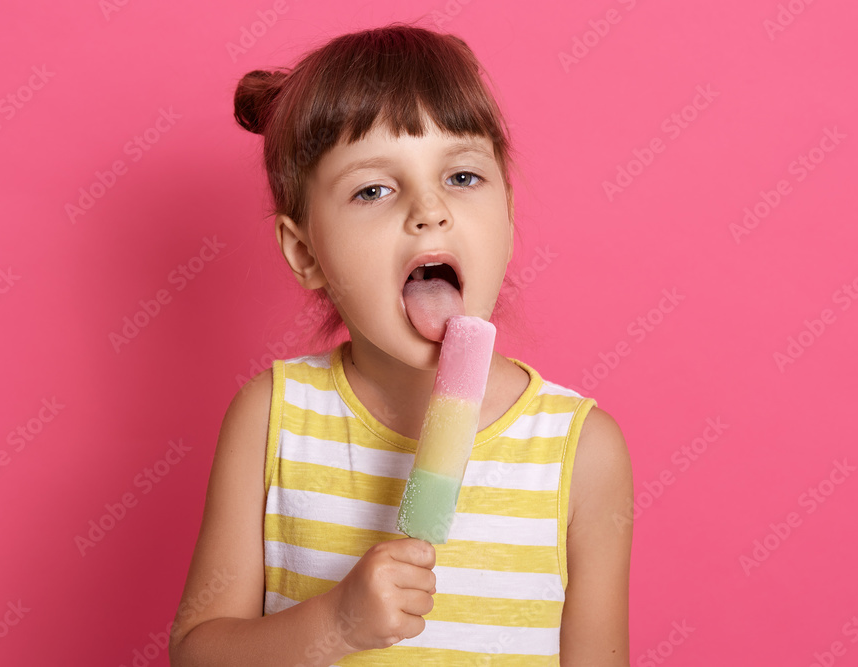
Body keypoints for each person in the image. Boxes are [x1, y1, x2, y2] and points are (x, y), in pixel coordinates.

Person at [169, 22, 633, 667]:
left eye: (464, 177)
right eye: (374, 189)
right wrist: (335, 622)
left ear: (508, 213)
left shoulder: (581, 451)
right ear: (306, 253)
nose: (430, 209)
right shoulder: (273, 418)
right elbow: (198, 653)